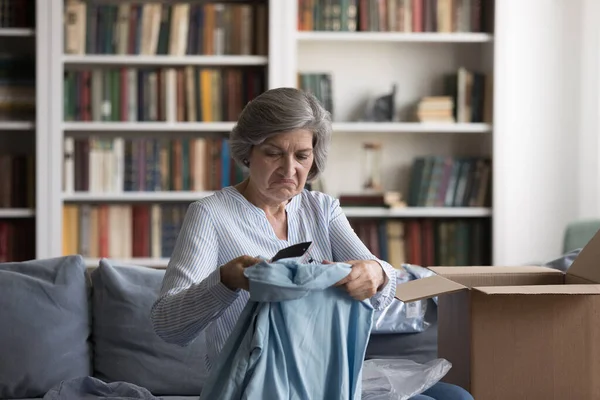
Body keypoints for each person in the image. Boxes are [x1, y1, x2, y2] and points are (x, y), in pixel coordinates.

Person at [150, 87, 473, 400]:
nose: (289, 169)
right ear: (248, 152)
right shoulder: (211, 215)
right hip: (253, 384)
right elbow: (168, 325)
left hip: (327, 378)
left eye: (302, 156)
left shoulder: (322, 209)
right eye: (273, 153)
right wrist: (226, 281)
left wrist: (376, 273)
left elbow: (385, 290)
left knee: (457, 397)